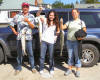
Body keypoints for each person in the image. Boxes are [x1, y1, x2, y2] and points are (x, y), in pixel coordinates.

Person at [10, 2, 36, 75]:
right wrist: (14, 31)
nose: (25, 8)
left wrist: (27, 21)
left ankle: (33, 67)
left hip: (29, 38)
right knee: (19, 54)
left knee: (30, 54)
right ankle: (18, 68)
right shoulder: (17, 16)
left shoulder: (31, 16)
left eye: (26, 7)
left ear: (28, 8)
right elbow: (11, 24)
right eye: (24, 7)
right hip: (19, 38)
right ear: (22, 8)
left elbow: (33, 27)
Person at [60, 8, 86, 77]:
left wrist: (81, 37)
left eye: (75, 12)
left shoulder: (81, 22)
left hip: (77, 42)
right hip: (69, 41)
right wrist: (61, 22)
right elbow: (62, 28)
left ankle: (77, 70)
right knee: (70, 56)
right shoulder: (69, 22)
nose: (73, 14)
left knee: (77, 56)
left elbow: (84, 31)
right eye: (72, 13)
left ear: (78, 13)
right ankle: (69, 69)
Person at [39, 10, 60, 75]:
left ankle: (51, 69)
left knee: (51, 56)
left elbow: (58, 31)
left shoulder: (56, 22)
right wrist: (40, 10)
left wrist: (55, 37)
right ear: (48, 15)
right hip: (44, 41)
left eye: (53, 15)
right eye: (50, 15)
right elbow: (37, 15)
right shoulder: (45, 20)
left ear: (54, 16)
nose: (51, 16)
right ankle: (41, 68)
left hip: (51, 42)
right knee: (42, 56)